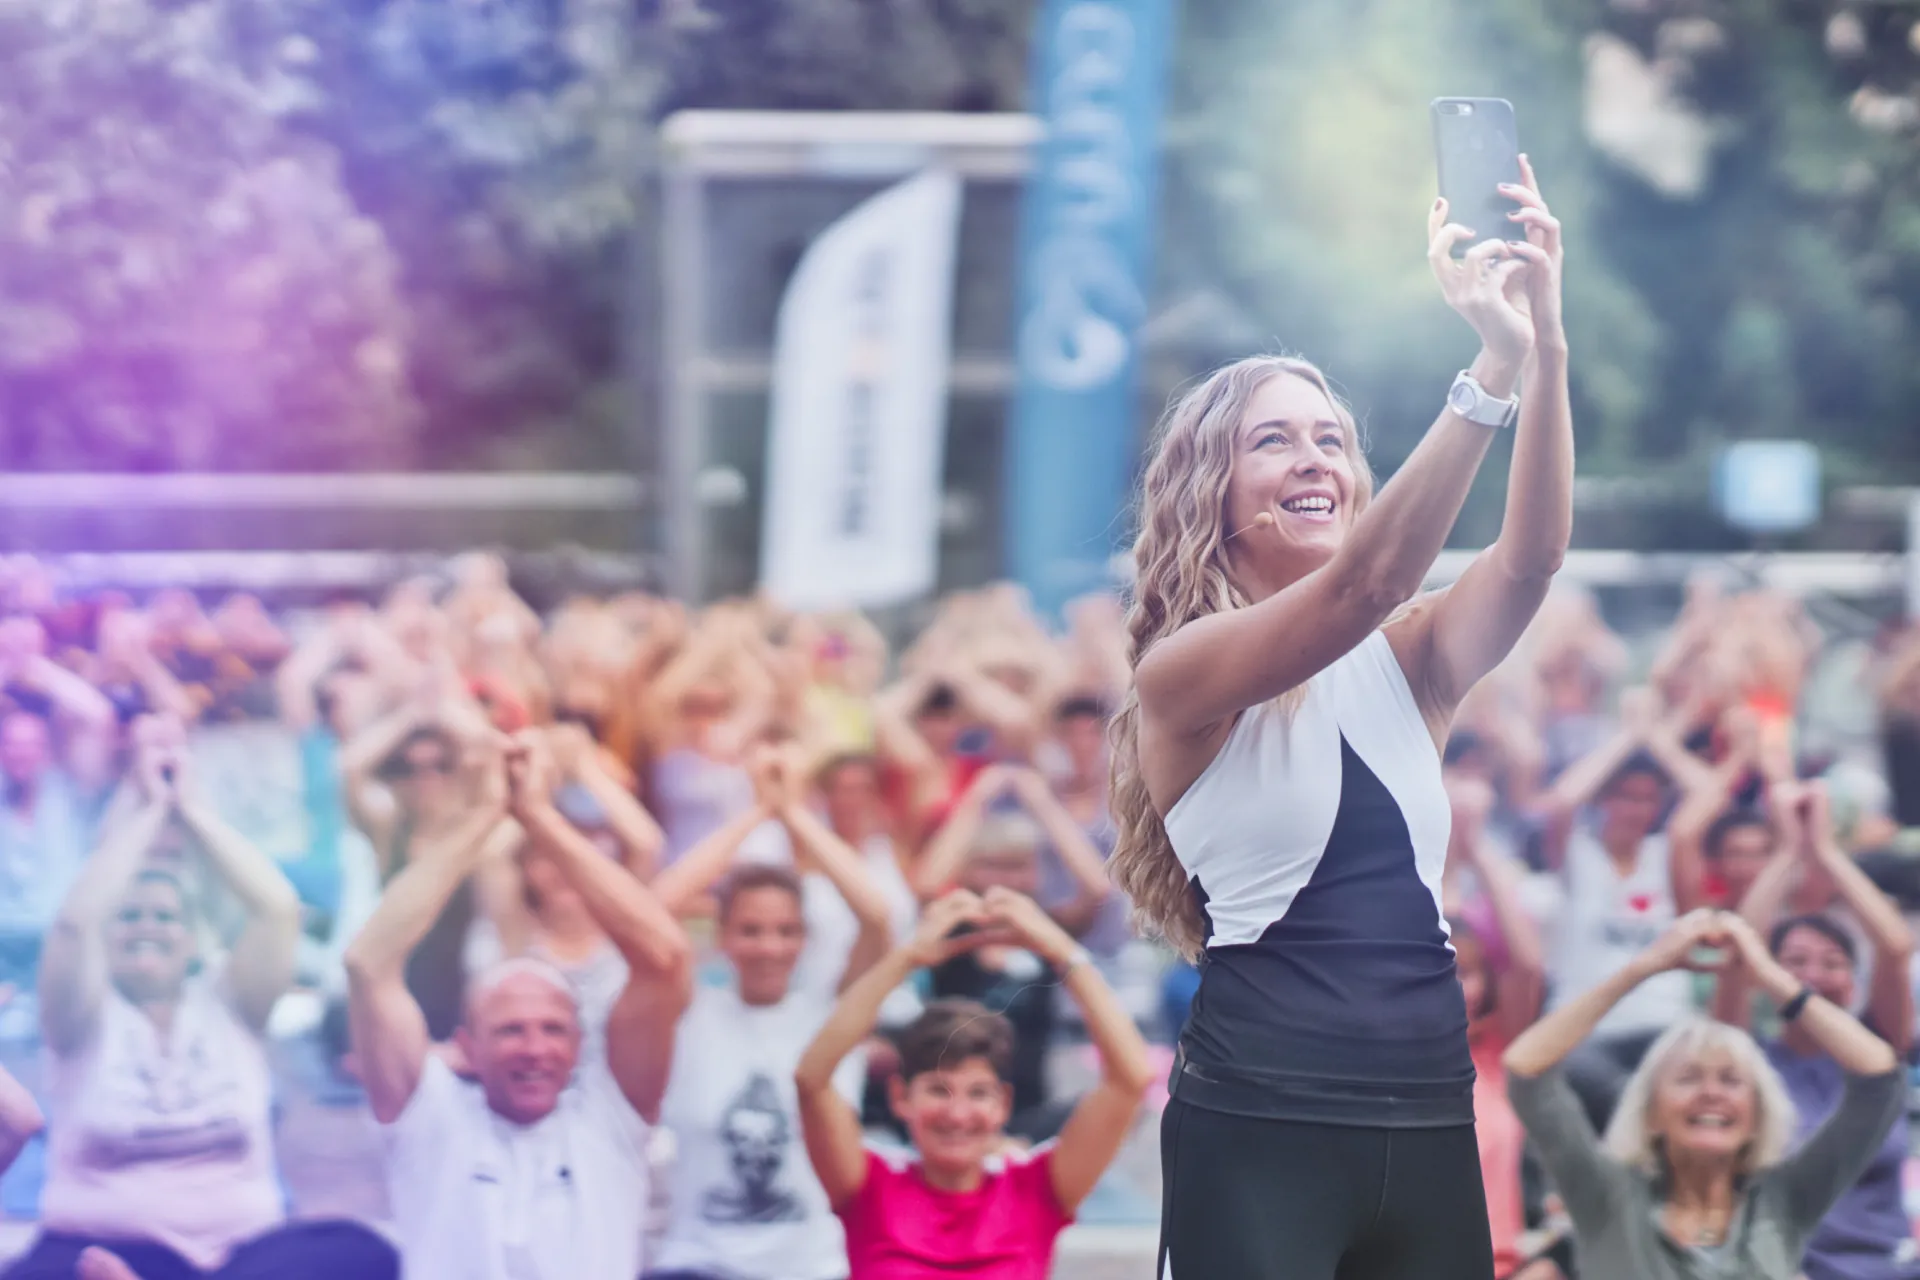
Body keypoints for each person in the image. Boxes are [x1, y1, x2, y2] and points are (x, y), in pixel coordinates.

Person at [1110, 163, 1571, 1278]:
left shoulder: (1409, 655)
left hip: (1429, 1112)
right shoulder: (1183, 673)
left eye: (1329, 437)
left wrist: (1542, 345)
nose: (1314, 457)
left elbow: (1532, 557)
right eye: (1274, 440)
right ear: (1211, 492)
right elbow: (1360, 586)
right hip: (1261, 1124)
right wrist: (1485, 371)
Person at [7, 729, 397, 1280]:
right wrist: (147, 819)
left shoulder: (231, 1001)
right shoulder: (79, 1012)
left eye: (165, 917)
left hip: (238, 1254)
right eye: (130, 916)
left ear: (194, 938)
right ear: (106, 935)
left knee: (361, 1254)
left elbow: (277, 907)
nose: (147, 927)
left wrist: (188, 808)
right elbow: (75, 920)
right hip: (98, 1248)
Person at [345, 734, 692, 1280]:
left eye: (553, 1030)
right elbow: (369, 964)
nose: (535, 1049)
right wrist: (485, 815)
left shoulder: (608, 1123)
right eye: (510, 1031)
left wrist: (537, 815)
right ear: (467, 1047)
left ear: (579, 1045)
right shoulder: (430, 1122)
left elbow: (664, 958)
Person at [1504, 910, 1905, 1280]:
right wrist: (1645, 967)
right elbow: (1526, 1069)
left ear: (1757, 1118)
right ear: (1651, 1113)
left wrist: (1769, 974)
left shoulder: (1785, 1200)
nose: (1711, 1093)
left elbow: (1880, 1077)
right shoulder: (1606, 1197)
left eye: (1731, 1081)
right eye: (1688, 1078)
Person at [794, 888, 1155, 1280]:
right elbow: (812, 1079)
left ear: (1003, 1103)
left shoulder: (1038, 1188)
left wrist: (1061, 952)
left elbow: (1130, 1078)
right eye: (938, 1089)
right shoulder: (867, 1186)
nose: (958, 1113)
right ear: (900, 1096)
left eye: (978, 1093)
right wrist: (907, 957)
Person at [646, 752, 893, 1280]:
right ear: (724, 937)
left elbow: (876, 916)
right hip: (697, 1265)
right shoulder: (691, 1013)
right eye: (751, 930)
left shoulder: (830, 1016)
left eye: (785, 931)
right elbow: (656, 908)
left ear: (804, 939)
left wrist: (796, 815)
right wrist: (756, 814)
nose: (769, 947)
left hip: (811, 1268)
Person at [1715, 782, 1920, 1280]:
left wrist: (1825, 851)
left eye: (1832, 963)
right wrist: (1787, 852)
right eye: (1794, 962)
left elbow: (1894, 945)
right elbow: (1738, 949)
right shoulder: (1745, 1061)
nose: (1811, 976)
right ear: (1769, 975)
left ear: (1853, 983)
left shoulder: (1877, 1056)